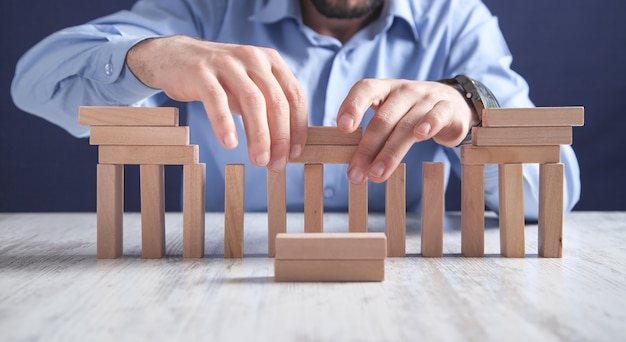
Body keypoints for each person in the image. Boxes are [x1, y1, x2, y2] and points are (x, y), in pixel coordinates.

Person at [11, 0, 580, 218]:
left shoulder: (454, 18)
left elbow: (553, 190)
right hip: (214, 275)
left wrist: (470, 113)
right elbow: (34, 85)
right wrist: (152, 56)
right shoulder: (207, 8)